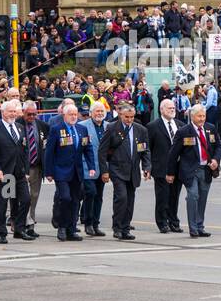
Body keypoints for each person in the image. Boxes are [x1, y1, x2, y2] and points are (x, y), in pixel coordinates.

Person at [166, 103, 221, 238]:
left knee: (202, 198)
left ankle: (200, 226)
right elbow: (173, 154)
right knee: (193, 195)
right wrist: (170, 172)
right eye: (199, 116)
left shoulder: (210, 128)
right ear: (192, 116)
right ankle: (193, 228)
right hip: (190, 170)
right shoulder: (184, 132)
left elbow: (218, 147)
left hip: (206, 169)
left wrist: (215, 160)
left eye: (203, 116)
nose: (202, 119)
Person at [44, 98, 96, 241]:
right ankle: (62, 227)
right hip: (61, 171)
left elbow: (88, 149)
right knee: (65, 198)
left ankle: (71, 229)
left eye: (75, 114)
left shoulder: (82, 129)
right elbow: (49, 152)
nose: (73, 116)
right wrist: (48, 172)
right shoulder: (56, 130)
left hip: (77, 171)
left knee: (75, 200)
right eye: (70, 114)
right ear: (64, 115)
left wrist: (91, 167)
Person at [100, 102, 151, 240]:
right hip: (117, 169)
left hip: (133, 170)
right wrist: (104, 170)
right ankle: (117, 227)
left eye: (132, 117)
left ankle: (126, 228)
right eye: (127, 117)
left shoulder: (141, 130)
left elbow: (145, 150)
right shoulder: (112, 127)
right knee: (121, 197)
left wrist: (146, 167)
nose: (129, 120)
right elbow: (102, 151)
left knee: (130, 200)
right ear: (121, 115)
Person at [0, 100, 32, 244]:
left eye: (14, 111)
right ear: (3, 112)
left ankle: (19, 228)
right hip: (6, 174)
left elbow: (25, 150)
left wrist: (26, 168)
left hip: (19, 173)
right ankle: (1, 232)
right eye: (10, 111)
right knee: (3, 204)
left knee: (25, 200)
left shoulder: (19, 127)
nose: (13, 114)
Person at [148, 98, 185, 233]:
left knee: (174, 196)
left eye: (173, 108)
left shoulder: (180, 125)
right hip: (160, 168)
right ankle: (162, 222)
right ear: (161, 109)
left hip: (178, 168)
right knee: (163, 196)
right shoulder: (153, 126)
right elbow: (148, 149)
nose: (172, 110)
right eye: (169, 108)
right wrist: (148, 166)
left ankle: (173, 221)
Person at [78, 101, 108, 236]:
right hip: (87, 167)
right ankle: (88, 222)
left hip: (103, 168)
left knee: (99, 196)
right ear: (91, 113)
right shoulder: (82, 126)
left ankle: (95, 224)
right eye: (97, 111)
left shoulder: (109, 127)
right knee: (90, 192)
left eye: (102, 111)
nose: (99, 114)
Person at [22, 100, 48, 234]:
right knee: (20, 197)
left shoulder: (42, 125)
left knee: (34, 195)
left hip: (36, 166)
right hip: (21, 168)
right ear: (23, 113)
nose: (31, 117)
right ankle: (19, 222)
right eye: (29, 114)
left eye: (34, 114)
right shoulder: (18, 125)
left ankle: (30, 223)